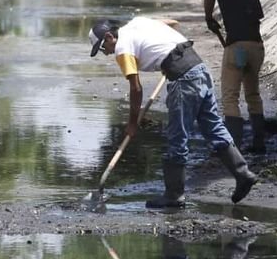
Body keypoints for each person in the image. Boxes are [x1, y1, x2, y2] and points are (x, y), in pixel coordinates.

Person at [89, 16, 257, 208]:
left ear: (110, 36)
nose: (107, 53)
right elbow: (171, 23)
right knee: (213, 127)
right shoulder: (138, 22)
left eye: (103, 48)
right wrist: (164, 58)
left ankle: (173, 195)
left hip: (183, 78)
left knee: (177, 137)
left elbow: (135, 89)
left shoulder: (122, 48)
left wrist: (133, 124)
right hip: (198, 67)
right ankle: (243, 174)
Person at [204, 0, 266, 153]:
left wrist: (209, 17)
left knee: (230, 97)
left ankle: (234, 147)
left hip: (237, 48)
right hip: (256, 48)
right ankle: (259, 142)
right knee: (253, 94)